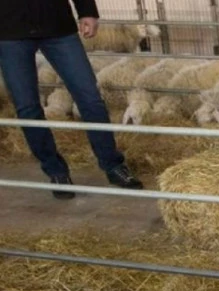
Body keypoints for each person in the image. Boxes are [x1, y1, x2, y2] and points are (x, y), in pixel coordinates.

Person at [0, 0, 144, 200]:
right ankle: (56, 172)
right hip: (10, 31)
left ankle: (113, 165)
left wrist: (87, 11)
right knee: (27, 108)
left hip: (58, 27)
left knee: (90, 98)